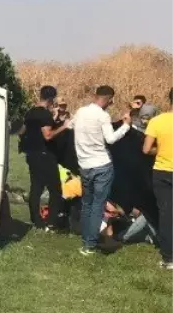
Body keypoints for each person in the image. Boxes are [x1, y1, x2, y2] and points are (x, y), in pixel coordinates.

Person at [72, 86, 131, 255]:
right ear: (109, 99)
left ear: (95, 96)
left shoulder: (81, 111)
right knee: (98, 205)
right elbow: (111, 139)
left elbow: (71, 126)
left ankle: (86, 239)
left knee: (87, 204)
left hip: (84, 164)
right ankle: (90, 244)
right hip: (101, 164)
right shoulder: (103, 115)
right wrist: (126, 125)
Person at [20, 86, 69, 230]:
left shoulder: (30, 112)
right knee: (55, 189)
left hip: (32, 154)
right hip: (45, 155)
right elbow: (47, 135)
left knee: (36, 187)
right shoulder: (44, 114)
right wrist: (64, 126)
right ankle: (51, 221)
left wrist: (53, 119)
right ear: (52, 99)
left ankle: (36, 220)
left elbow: (22, 132)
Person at [142, 87, 173, 269]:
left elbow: (146, 149)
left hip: (162, 172)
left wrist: (159, 149)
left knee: (166, 214)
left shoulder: (157, 121)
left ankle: (169, 258)